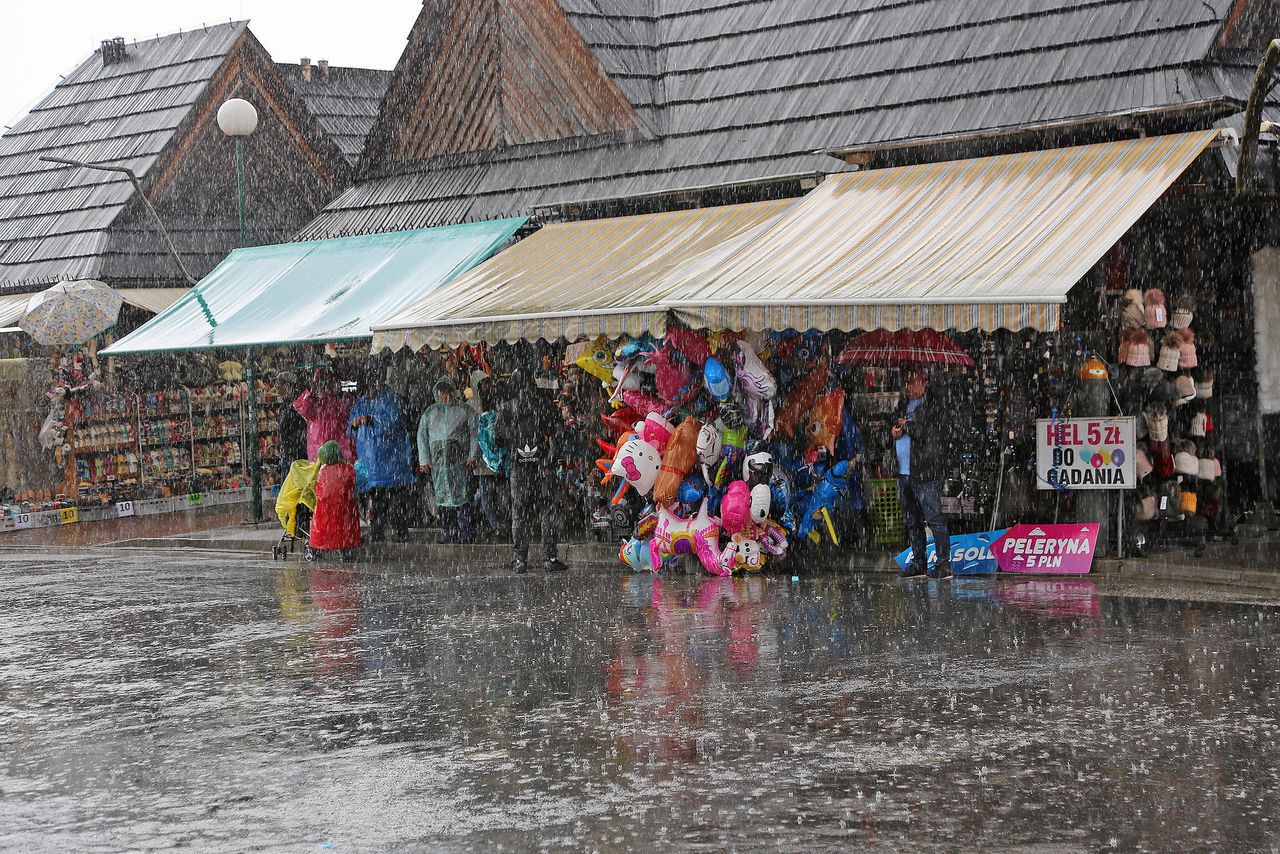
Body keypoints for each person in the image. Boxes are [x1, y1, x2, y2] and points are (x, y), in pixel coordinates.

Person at [495, 368, 567, 574]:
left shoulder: (506, 409)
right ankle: (550, 557)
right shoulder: (542, 405)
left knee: (519, 513)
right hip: (542, 466)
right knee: (548, 510)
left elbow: (497, 438)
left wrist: (514, 441)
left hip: (519, 468)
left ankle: (520, 559)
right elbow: (556, 430)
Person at [891, 367, 952, 580]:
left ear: (923, 382)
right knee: (912, 520)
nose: (908, 387)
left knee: (934, 518)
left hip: (925, 472)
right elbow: (896, 427)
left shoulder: (933, 404)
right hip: (904, 472)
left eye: (912, 381)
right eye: (906, 382)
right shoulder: (903, 405)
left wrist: (907, 427)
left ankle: (944, 564)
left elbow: (924, 431)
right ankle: (919, 562)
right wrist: (895, 431)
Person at [350, 366, 416, 542]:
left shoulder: (390, 399)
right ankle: (378, 530)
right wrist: (355, 424)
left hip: (390, 462)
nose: (369, 392)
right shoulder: (361, 402)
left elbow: (395, 422)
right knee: (378, 500)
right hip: (371, 462)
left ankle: (400, 530)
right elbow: (351, 425)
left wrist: (372, 420)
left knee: (395, 500)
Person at [416, 377, 478, 544]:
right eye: (442, 392)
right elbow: (422, 437)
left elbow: (474, 434)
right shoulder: (430, 412)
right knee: (442, 497)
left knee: (462, 495)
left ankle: (465, 532)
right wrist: (424, 460)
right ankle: (447, 532)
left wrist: (472, 456)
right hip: (438, 463)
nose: (446, 395)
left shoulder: (465, 411)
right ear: (438, 393)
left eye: (448, 391)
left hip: (459, 460)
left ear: (453, 391)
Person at [310, 440, 361, 557]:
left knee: (323, 529)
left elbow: (316, 490)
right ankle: (345, 550)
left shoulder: (321, 473)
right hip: (344, 512)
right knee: (344, 531)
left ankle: (319, 548)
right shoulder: (347, 470)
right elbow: (357, 480)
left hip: (324, 514)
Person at [293, 368, 354, 461]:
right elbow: (300, 408)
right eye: (322, 381)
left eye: (328, 380)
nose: (325, 384)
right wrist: (311, 393)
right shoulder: (314, 402)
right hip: (321, 449)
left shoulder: (341, 400)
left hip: (332, 449)